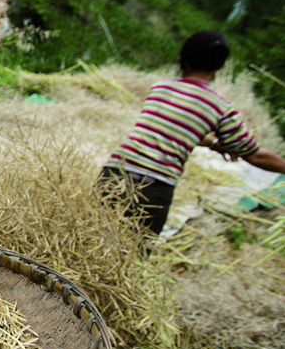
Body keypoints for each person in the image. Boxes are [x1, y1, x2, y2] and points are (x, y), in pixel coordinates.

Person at [100, 30, 285, 236]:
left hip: (113, 173)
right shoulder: (219, 108)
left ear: (181, 59)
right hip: (151, 189)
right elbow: (256, 155)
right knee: (131, 252)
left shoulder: (160, 89)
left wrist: (214, 144)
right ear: (219, 66)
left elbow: (174, 129)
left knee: (90, 239)